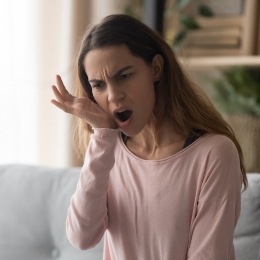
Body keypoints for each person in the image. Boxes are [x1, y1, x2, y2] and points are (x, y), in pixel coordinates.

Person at [51, 14, 247, 260]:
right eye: (99, 85)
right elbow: (82, 237)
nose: (113, 96)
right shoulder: (108, 151)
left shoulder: (214, 153)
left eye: (123, 76)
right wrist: (102, 138)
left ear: (155, 68)